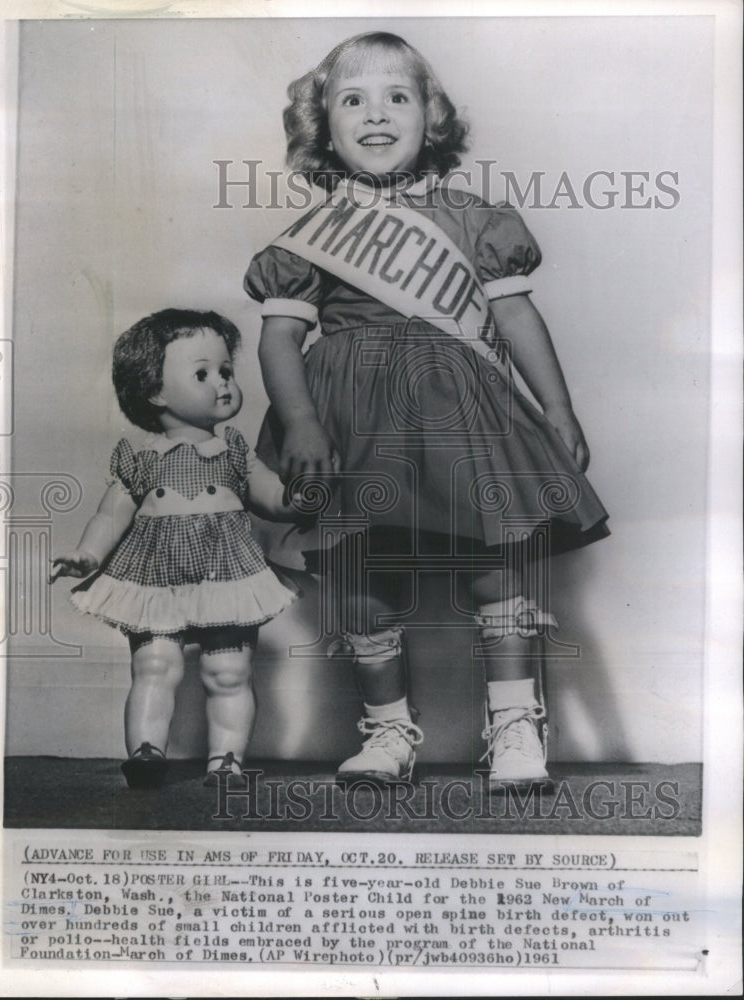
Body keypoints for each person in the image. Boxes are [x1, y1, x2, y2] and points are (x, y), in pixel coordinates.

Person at [243, 31, 609, 790]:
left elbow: (514, 320)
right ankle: (386, 732)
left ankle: (514, 726)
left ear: (430, 117)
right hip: (351, 418)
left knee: (494, 563)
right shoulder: (311, 236)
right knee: (360, 571)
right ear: (324, 127)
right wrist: (303, 423)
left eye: (397, 97)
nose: (376, 115)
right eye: (353, 100)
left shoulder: (476, 219)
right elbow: (279, 338)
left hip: (458, 412)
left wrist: (559, 408)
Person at [51, 308, 297, 788]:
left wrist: (297, 499)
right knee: (154, 664)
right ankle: (146, 751)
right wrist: (88, 554)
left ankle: (226, 760)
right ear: (154, 391)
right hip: (154, 573)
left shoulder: (235, 451)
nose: (223, 382)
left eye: (226, 371)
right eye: (203, 373)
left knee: (228, 670)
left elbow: (270, 495)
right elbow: (110, 514)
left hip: (226, 572)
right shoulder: (139, 457)